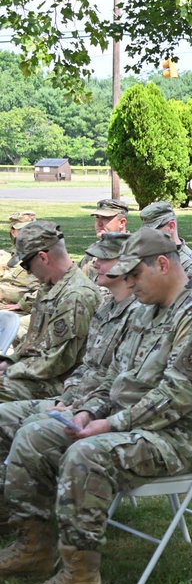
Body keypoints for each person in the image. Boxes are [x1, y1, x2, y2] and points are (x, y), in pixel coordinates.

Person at [0, 228, 192, 584]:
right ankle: (33, 546)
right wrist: (88, 411)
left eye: (134, 274)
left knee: (86, 455)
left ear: (161, 264)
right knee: (37, 434)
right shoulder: (145, 312)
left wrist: (110, 424)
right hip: (130, 423)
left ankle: (80, 576)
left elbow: (175, 398)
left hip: (179, 437)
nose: (128, 283)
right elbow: (114, 376)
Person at [0, 233, 138, 496]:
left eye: (103, 259)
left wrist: (80, 403)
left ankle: (26, 506)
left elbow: (66, 363)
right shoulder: (106, 308)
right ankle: (10, 498)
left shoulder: (83, 297)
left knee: (32, 428)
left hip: (83, 396)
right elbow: (87, 365)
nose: (94, 264)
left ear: (127, 264)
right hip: (74, 392)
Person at [0, 221, 102, 403]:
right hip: (38, 372)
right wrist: (10, 360)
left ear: (43, 258)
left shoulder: (76, 296)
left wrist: (11, 370)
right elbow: (32, 342)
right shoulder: (48, 288)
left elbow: (57, 362)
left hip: (65, 384)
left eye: (26, 265)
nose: (29, 273)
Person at [139, 201, 192, 284]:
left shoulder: (188, 266)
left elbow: (187, 296)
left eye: (153, 231)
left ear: (171, 227)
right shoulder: (152, 255)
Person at [0, 212, 40, 340]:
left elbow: (50, 286)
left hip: (20, 312)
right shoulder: (10, 256)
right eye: (22, 229)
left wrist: (22, 304)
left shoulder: (41, 257)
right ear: (13, 232)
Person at [79, 199, 129, 279]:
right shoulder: (93, 250)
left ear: (122, 223)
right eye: (97, 217)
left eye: (105, 218)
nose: (99, 223)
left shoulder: (132, 252)